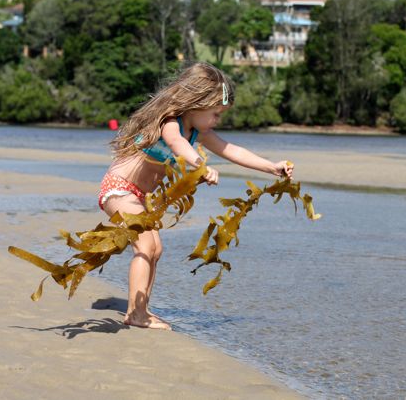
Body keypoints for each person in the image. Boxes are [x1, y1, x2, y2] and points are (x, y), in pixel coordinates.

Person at [98, 62, 294, 330]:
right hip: (119, 188)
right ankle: (135, 313)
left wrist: (272, 167)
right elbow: (177, 145)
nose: (217, 120)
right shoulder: (169, 123)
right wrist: (198, 164)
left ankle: (141, 308)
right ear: (196, 103)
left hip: (140, 196)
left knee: (156, 249)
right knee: (144, 246)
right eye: (215, 113)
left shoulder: (198, 132)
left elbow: (232, 150)